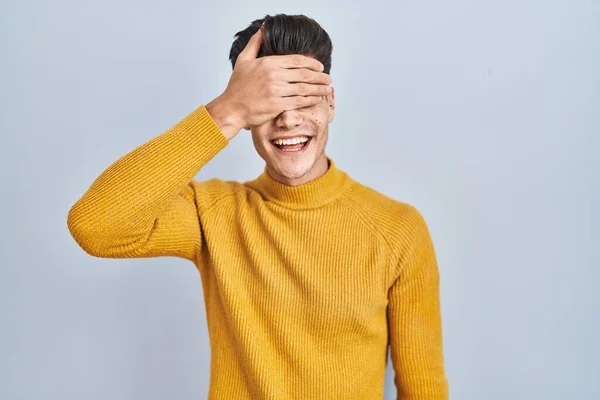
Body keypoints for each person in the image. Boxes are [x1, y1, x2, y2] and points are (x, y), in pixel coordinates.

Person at [67, 13, 449, 400]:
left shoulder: (397, 228)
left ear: (330, 103)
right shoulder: (213, 212)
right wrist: (225, 112)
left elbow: (423, 389)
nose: (288, 120)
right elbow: (95, 226)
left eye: (302, 99)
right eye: (268, 104)